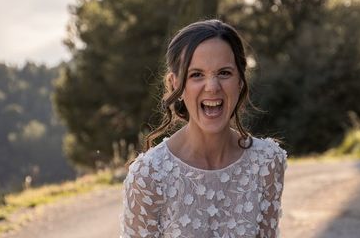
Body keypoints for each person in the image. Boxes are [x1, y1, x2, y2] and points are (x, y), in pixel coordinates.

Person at [120, 19, 287, 238]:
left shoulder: (266, 163)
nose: (212, 87)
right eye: (196, 74)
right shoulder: (149, 176)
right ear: (175, 84)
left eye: (224, 73)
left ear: (240, 80)